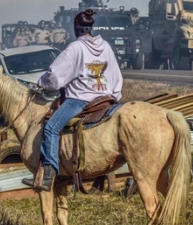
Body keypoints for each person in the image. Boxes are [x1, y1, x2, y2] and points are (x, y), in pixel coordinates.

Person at [22, 9, 123, 191]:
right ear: (91, 28)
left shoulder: (75, 48)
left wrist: (41, 82)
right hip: (106, 98)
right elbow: (116, 74)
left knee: (52, 127)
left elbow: (54, 76)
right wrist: (114, 95)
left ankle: (48, 175)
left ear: (76, 28)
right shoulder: (106, 46)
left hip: (81, 100)